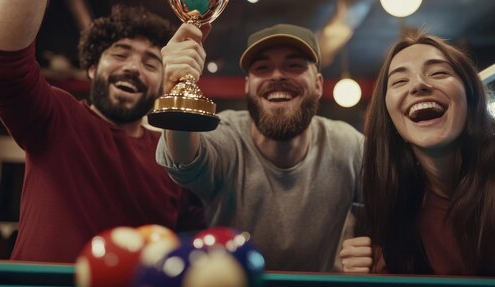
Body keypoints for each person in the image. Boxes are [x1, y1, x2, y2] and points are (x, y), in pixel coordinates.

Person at [0, 0, 205, 263]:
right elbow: (1, 62)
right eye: (120, 53)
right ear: (93, 69)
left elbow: (194, 250)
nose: (133, 68)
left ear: (162, 82)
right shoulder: (56, 118)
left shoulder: (176, 157)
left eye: (152, 63)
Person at [340, 32, 495, 277]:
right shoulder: (397, 207)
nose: (418, 84)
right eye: (399, 81)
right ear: (391, 120)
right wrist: (369, 274)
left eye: (438, 73)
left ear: (470, 97)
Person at [155, 23, 366, 272]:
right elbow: (184, 160)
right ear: (247, 86)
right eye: (262, 68)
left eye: (294, 65)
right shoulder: (227, 135)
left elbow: (393, 206)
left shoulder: (349, 145)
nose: (277, 76)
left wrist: (377, 248)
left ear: (318, 84)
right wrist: (175, 88)